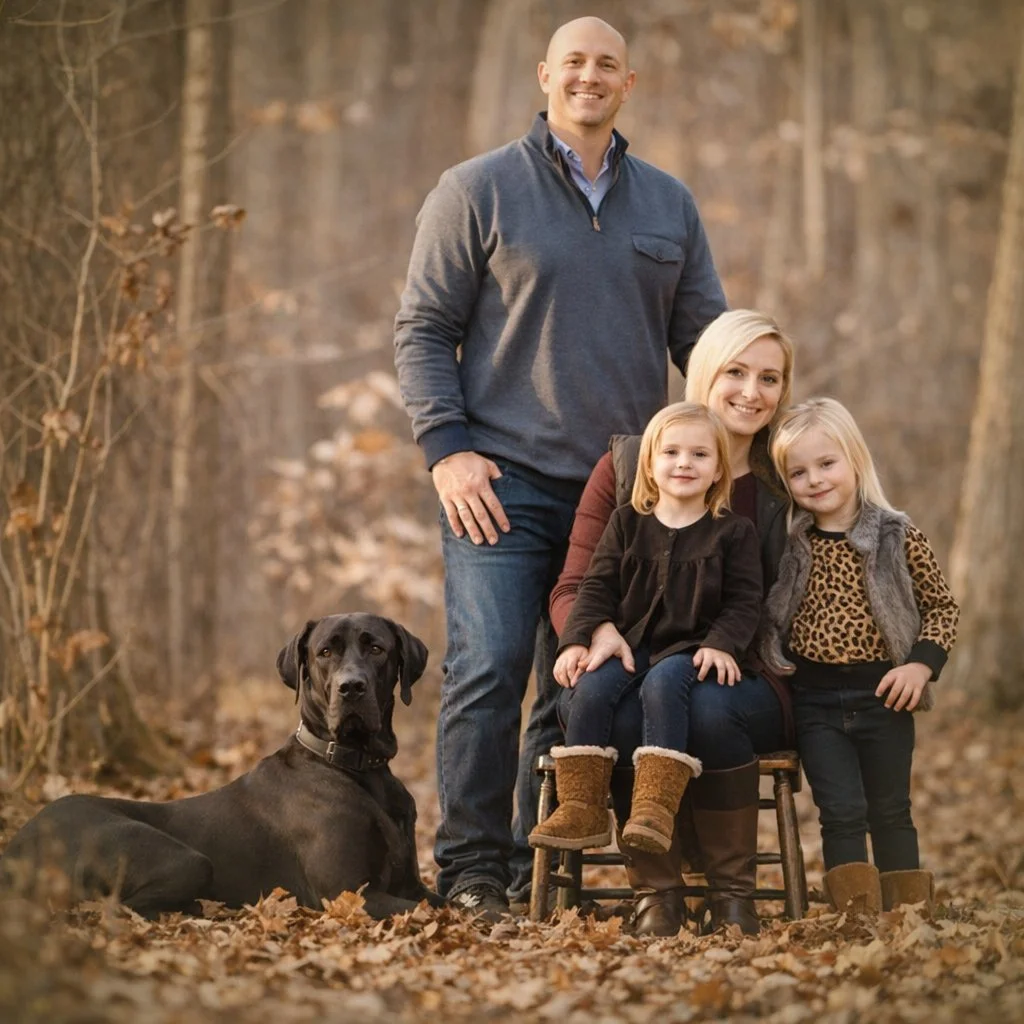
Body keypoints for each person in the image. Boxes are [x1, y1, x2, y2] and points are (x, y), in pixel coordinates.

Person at [393, 16, 727, 916]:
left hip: (624, 495)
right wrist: (447, 451)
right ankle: (471, 873)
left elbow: (704, 346)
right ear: (545, 75)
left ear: (630, 83)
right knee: (491, 667)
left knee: (569, 682)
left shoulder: (669, 205)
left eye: (606, 65)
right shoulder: (475, 190)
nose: (589, 77)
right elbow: (423, 329)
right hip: (497, 485)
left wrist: (754, 432)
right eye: (573, 62)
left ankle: (541, 874)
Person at [549, 309, 794, 935]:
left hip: (744, 666)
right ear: (703, 372)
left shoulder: (781, 481)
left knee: (708, 709)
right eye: (735, 371)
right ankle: (656, 892)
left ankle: (732, 892)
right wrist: (593, 632)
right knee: (627, 705)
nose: (751, 391)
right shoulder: (632, 468)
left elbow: (767, 598)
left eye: (770, 378)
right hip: (637, 660)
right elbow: (579, 583)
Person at [529, 403, 762, 856]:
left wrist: (722, 643)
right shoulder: (626, 523)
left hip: (690, 650)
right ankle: (582, 806)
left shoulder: (734, 533)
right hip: (630, 645)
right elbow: (595, 585)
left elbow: (745, 600)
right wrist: (578, 639)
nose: (683, 463)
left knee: (664, 682)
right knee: (593, 687)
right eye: (671, 452)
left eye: (699, 455)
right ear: (650, 466)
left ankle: (655, 807)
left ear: (718, 470)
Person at [759, 397, 959, 915]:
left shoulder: (896, 533)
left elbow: (942, 607)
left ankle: (907, 913)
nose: (815, 480)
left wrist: (920, 665)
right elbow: (767, 612)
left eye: (826, 464)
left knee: (891, 809)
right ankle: (855, 914)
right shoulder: (789, 540)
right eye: (798, 472)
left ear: (854, 459)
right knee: (841, 811)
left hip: (885, 695)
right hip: (815, 700)